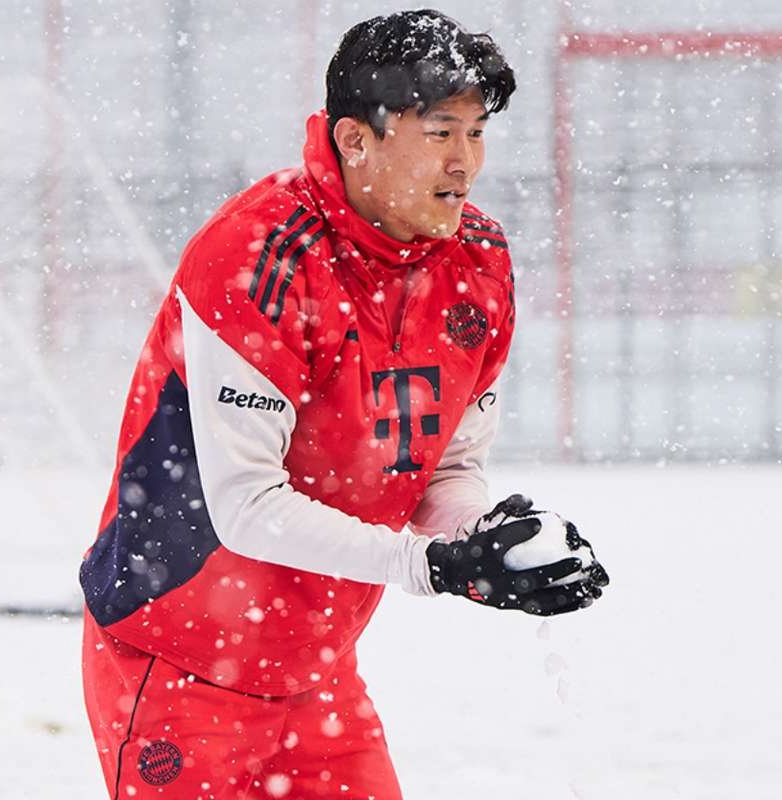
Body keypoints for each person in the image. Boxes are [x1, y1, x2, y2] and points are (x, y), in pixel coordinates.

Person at [79, 10, 609, 799]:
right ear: (355, 139)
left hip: (315, 670)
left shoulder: (481, 262)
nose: (465, 161)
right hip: (177, 658)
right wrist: (432, 566)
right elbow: (247, 506)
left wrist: (488, 541)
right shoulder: (258, 254)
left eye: (476, 132)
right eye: (439, 132)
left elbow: (447, 467)